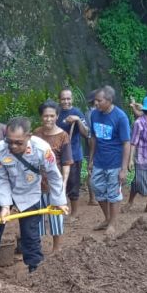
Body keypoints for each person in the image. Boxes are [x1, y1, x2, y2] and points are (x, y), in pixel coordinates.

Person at [0, 117, 68, 272]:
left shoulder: (42, 149)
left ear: (29, 136)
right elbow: (1, 180)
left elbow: (54, 176)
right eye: (10, 141)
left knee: (30, 233)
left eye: (18, 142)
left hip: (29, 192)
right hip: (3, 191)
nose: (13, 146)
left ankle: (35, 269)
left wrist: (59, 201)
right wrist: (5, 206)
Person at [89, 85, 131, 234]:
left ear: (109, 100)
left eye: (99, 101)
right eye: (95, 100)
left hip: (115, 163)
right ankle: (107, 218)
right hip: (99, 161)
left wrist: (124, 168)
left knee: (113, 195)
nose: (96, 103)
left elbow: (126, 143)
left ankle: (112, 224)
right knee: (97, 189)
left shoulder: (120, 117)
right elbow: (93, 138)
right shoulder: (94, 114)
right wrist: (91, 159)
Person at [34, 100, 72, 251]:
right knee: (36, 219)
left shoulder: (63, 136)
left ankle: (57, 250)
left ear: (57, 117)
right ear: (41, 117)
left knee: (56, 218)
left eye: (51, 116)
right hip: (36, 185)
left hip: (54, 185)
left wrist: (62, 185)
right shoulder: (36, 134)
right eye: (45, 116)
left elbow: (66, 164)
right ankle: (37, 249)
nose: (48, 119)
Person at [57, 88, 89, 219]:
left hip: (74, 154)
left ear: (72, 99)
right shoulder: (56, 113)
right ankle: (61, 210)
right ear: (59, 100)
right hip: (57, 155)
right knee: (58, 183)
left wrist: (78, 120)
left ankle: (74, 213)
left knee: (73, 183)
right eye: (63, 99)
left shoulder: (77, 112)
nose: (66, 101)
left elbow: (86, 133)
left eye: (68, 98)